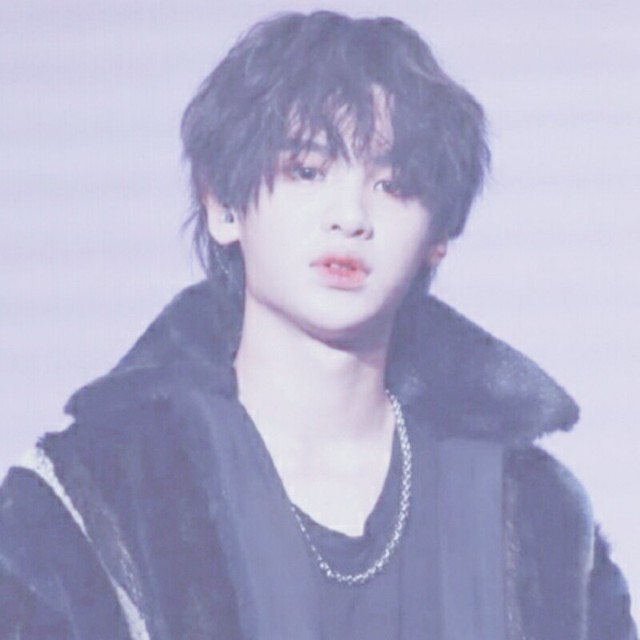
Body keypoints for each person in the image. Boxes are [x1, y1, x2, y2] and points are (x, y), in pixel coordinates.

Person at [0, 10, 635, 640]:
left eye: (394, 185)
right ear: (223, 204)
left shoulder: (534, 513)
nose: (350, 216)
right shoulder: (92, 499)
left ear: (438, 236)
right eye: (308, 171)